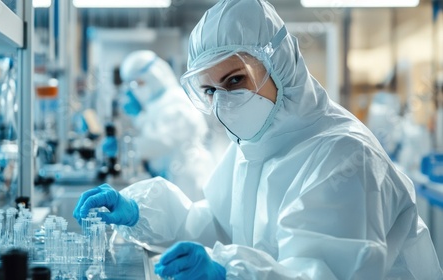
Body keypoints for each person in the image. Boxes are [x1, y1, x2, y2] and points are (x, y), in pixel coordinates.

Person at [73, 0, 443, 279]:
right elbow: (213, 225)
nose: (224, 102)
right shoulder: (255, 146)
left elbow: (321, 273)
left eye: (235, 80)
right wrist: (141, 211)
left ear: (281, 64)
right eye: (209, 91)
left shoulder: (345, 156)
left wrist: (229, 272)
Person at [118, 50, 215, 201]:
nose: (136, 90)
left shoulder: (175, 101)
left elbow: (159, 142)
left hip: (188, 180)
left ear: (155, 76)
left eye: (139, 83)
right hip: (175, 176)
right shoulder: (160, 102)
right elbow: (154, 128)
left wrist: (123, 148)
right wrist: (138, 116)